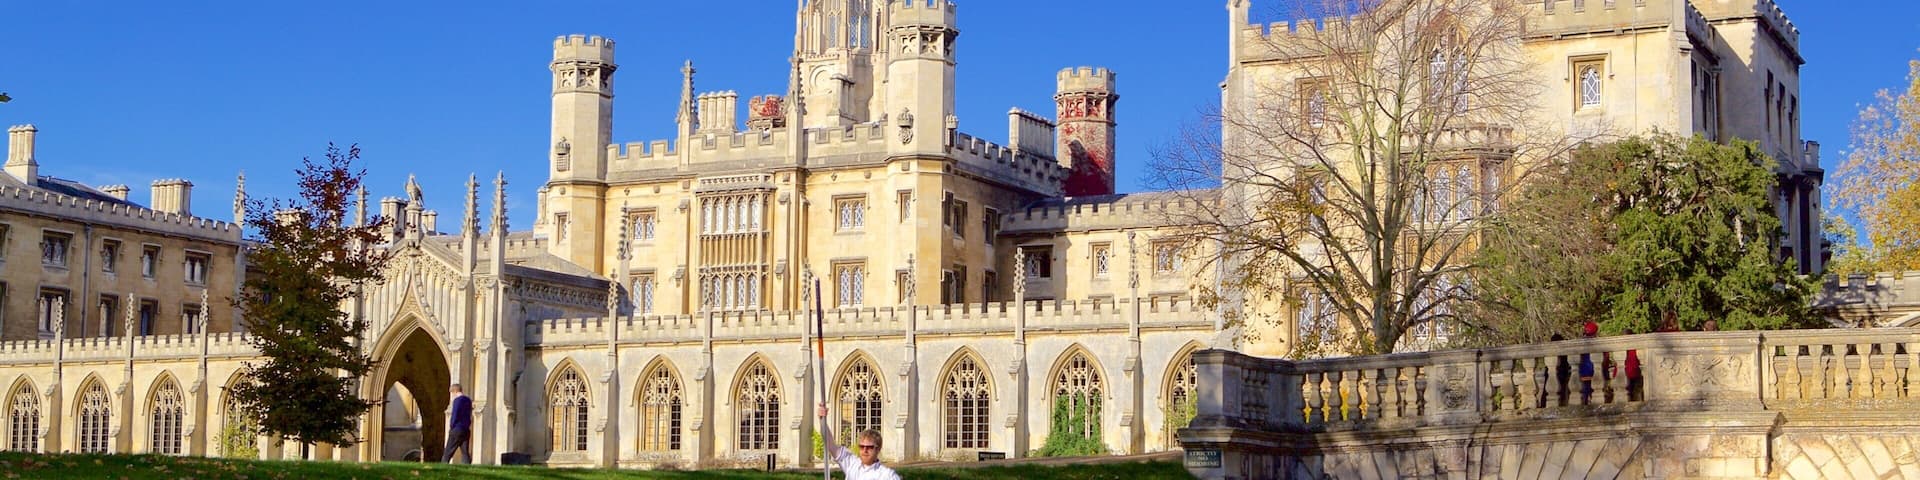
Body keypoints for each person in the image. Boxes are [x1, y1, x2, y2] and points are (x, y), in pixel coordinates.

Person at [817, 402, 901, 480]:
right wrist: (822, 420)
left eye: (869, 447)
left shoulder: (887, 476)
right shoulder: (852, 464)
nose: (865, 450)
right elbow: (830, 445)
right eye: (862, 446)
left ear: (878, 449)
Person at [443, 383, 473, 463]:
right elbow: (469, 414)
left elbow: (455, 414)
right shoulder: (468, 400)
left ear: (455, 391)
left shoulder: (457, 401)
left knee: (448, 451)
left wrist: (452, 426)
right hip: (466, 429)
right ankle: (466, 467)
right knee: (465, 452)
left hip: (457, 429)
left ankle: (443, 465)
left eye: (452, 393)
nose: (452, 396)